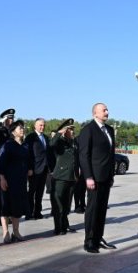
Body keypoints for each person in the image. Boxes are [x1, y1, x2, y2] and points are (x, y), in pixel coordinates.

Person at [77, 103, 117, 253]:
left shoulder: (109, 130)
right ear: (95, 113)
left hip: (106, 176)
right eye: (104, 110)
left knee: (101, 209)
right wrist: (88, 176)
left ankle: (98, 238)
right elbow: (83, 155)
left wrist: (111, 175)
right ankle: (89, 241)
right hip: (94, 177)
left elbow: (111, 155)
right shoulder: (88, 130)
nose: (107, 112)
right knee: (93, 209)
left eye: (107, 109)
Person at [0, 120, 31, 243]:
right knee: (6, 206)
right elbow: (0, 163)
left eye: (22, 128)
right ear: (13, 132)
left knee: (17, 207)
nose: (22, 130)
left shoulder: (25, 145)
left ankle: (16, 232)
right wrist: (2, 178)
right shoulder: (7, 145)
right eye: (19, 128)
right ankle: (5, 232)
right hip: (8, 180)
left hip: (20, 181)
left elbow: (28, 160)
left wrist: (29, 169)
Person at [50, 119, 78, 235]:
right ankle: (58, 228)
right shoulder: (59, 142)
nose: (72, 131)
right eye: (69, 129)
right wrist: (59, 133)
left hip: (72, 177)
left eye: (72, 129)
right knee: (58, 205)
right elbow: (51, 144)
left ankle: (65, 225)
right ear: (65, 130)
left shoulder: (73, 142)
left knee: (67, 205)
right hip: (60, 177)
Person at [25, 118, 51, 220]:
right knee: (31, 192)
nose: (42, 127)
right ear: (35, 126)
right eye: (40, 125)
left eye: (43, 125)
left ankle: (37, 212)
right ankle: (29, 213)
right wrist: (29, 168)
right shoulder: (30, 137)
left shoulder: (46, 137)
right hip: (34, 169)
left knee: (40, 192)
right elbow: (28, 154)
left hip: (44, 169)